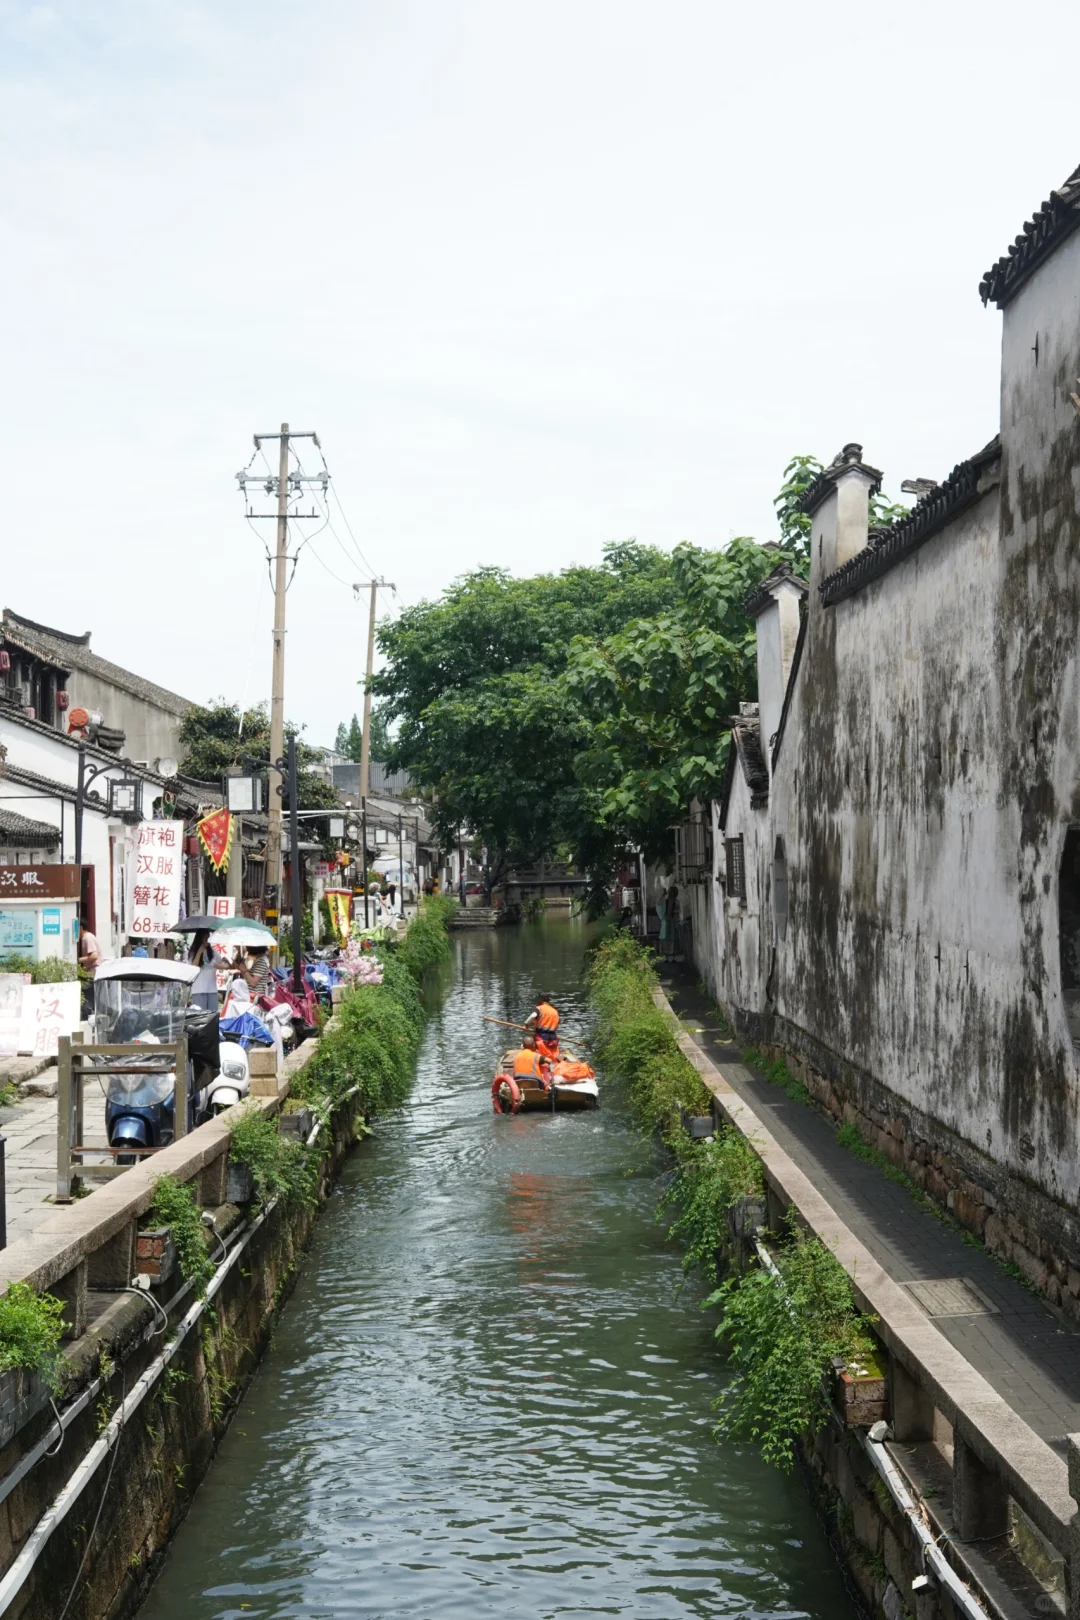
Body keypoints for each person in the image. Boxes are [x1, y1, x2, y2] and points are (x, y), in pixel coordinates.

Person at [188, 929, 223, 1012]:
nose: (207, 940)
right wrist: (199, 952)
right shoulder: (193, 952)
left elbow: (221, 963)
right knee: (200, 1015)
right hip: (198, 989)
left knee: (212, 1014)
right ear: (199, 939)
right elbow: (193, 967)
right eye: (204, 938)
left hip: (212, 989)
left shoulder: (213, 952)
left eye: (208, 938)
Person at [525, 992, 560, 1058]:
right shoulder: (555, 1011)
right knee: (552, 1055)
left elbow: (532, 1016)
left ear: (541, 1000)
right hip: (553, 1037)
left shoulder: (539, 1008)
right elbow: (557, 1026)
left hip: (541, 1037)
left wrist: (526, 1024)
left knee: (539, 1053)